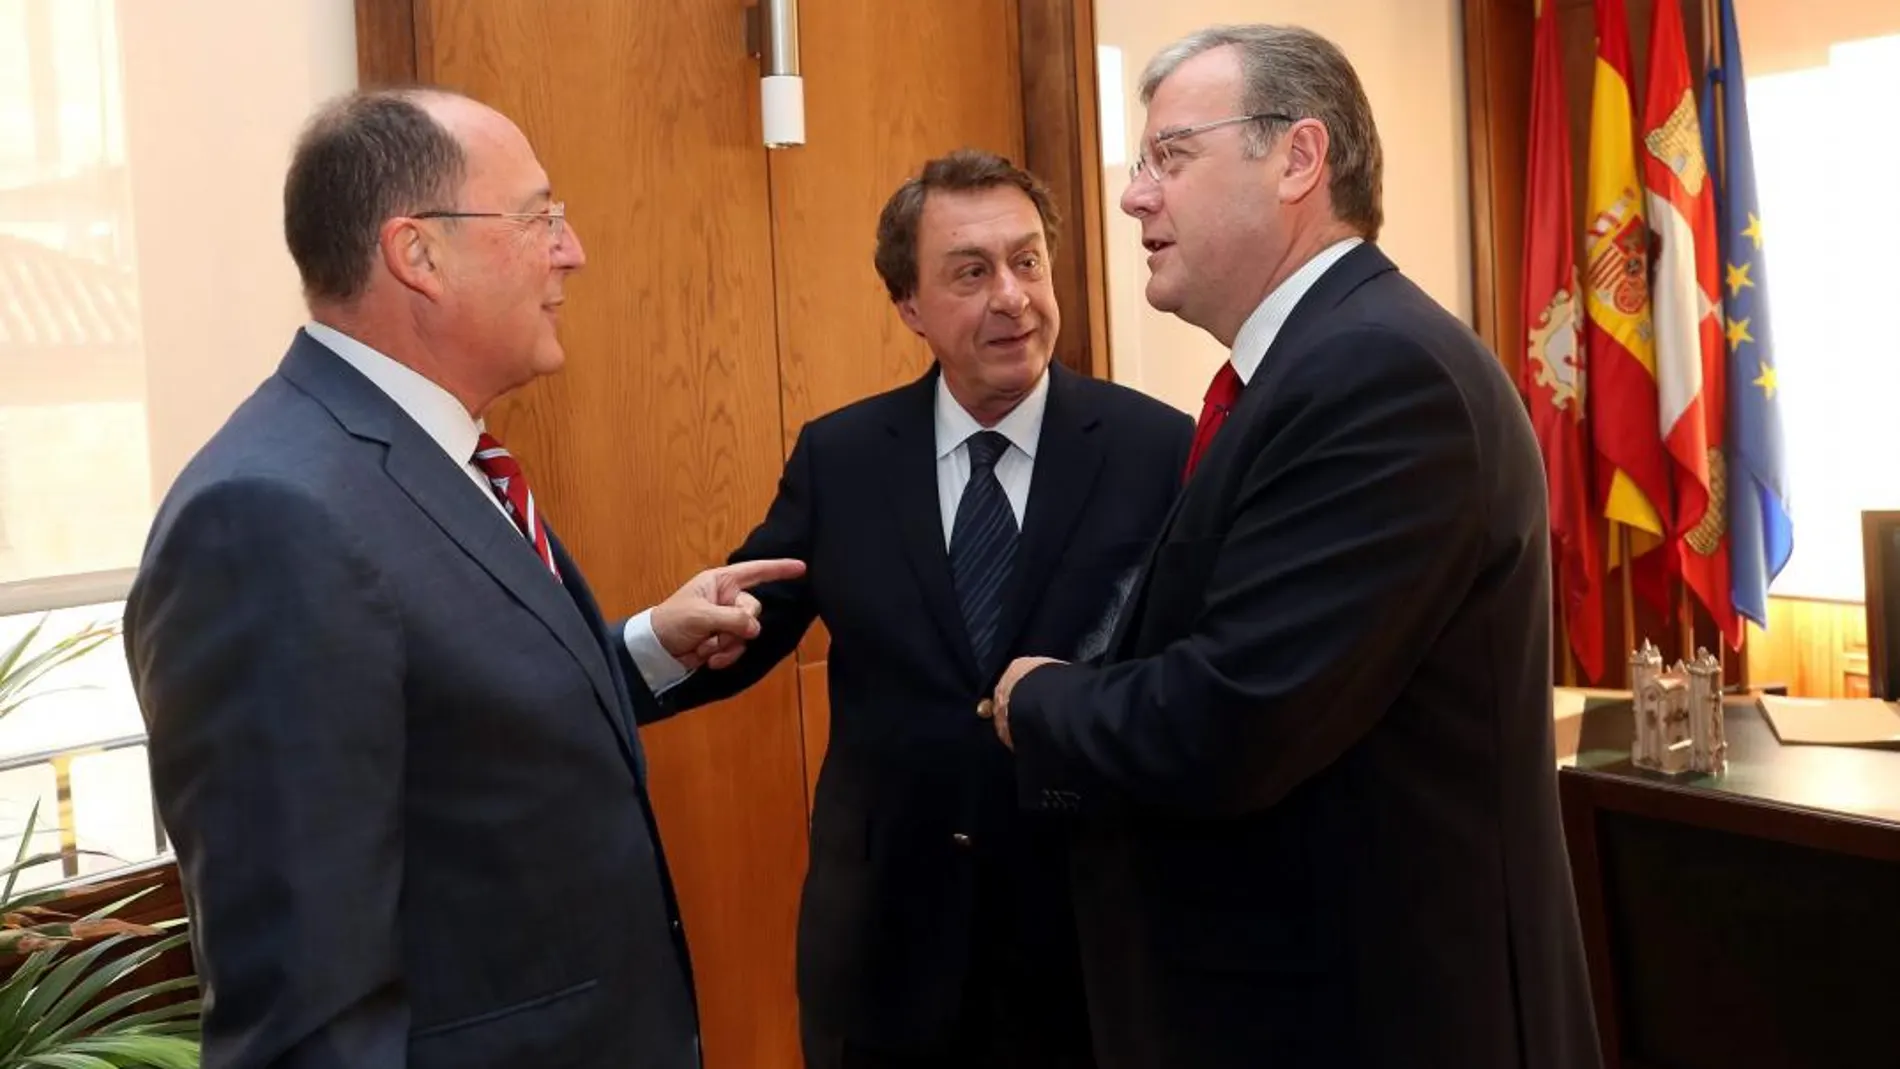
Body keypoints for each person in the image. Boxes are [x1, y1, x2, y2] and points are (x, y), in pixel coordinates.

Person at [123, 87, 802, 1069]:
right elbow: (306, 1004)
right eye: (540, 218)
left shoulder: (431, 452)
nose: (571, 251)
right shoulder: (269, 517)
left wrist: (643, 647)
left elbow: (451, 730)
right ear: (418, 255)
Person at [988, 25, 1602, 1069]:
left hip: (1370, 1016)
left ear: (1298, 159)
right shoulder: (1315, 368)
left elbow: (1237, 716)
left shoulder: (1374, 375)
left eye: (1167, 158)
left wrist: (1037, 698)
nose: (1134, 196)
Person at [644, 149, 1192, 1068]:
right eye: (971, 273)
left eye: (1027, 262)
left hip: (1087, 939)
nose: (1012, 297)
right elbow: (740, 627)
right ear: (909, 305)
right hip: (885, 944)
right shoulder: (844, 458)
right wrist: (645, 653)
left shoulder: (1156, 448)